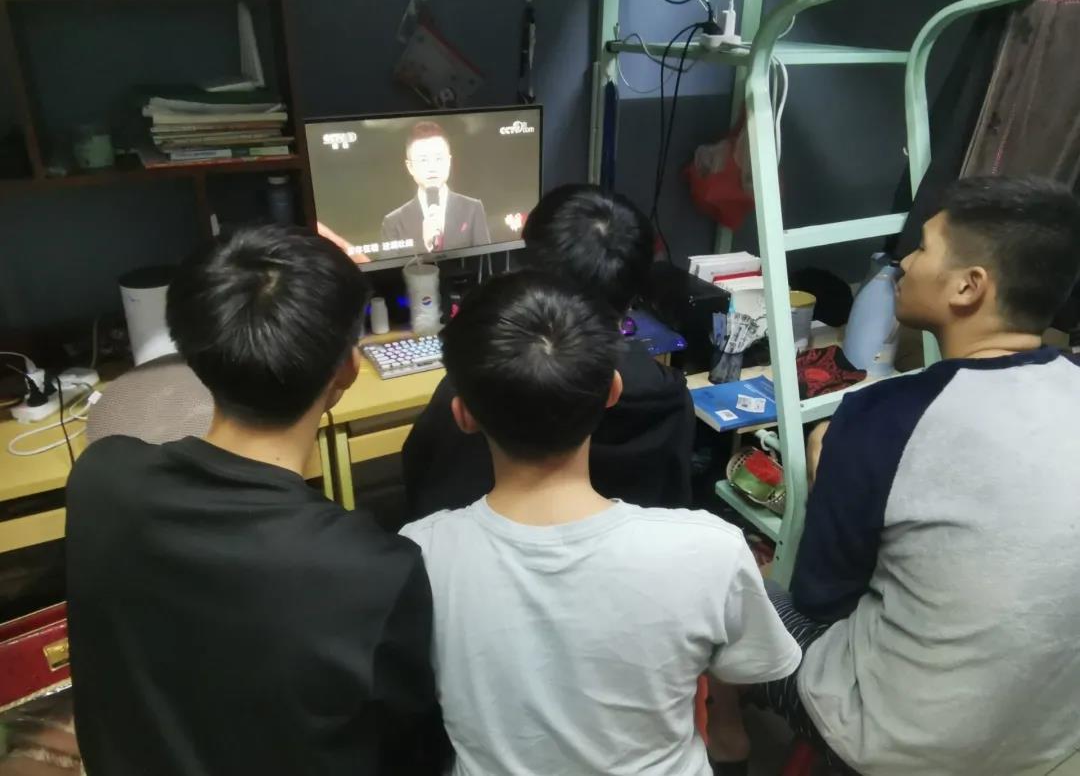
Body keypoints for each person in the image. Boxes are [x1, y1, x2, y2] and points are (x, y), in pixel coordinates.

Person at [714, 176, 1080, 775]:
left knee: (725, 581)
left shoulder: (883, 417)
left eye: (924, 248)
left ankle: (727, 742)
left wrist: (832, 473)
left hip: (895, 742)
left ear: (968, 286)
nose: (903, 263)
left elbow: (822, 601)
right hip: (1050, 739)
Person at [66, 225, 441, 776]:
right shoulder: (375, 571)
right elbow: (412, 750)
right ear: (347, 368)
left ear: (190, 354)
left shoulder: (100, 478)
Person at [400, 271, 801, 776]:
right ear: (613, 390)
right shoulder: (710, 551)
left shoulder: (418, 556)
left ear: (462, 415)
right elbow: (751, 665)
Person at [401, 184, 695, 523]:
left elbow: (424, 491)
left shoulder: (476, 389)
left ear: (527, 272)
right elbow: (675, 506)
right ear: (634, 290)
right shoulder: (669, 399)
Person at [381, 121, 490, 253]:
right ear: (410, 167)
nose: (432, 167)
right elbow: (392, 266)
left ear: (449, 161)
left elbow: (486, 260)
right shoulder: (393, 222)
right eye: (423, 160)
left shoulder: (472, 208)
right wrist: (426, 246)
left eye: (438, 159)